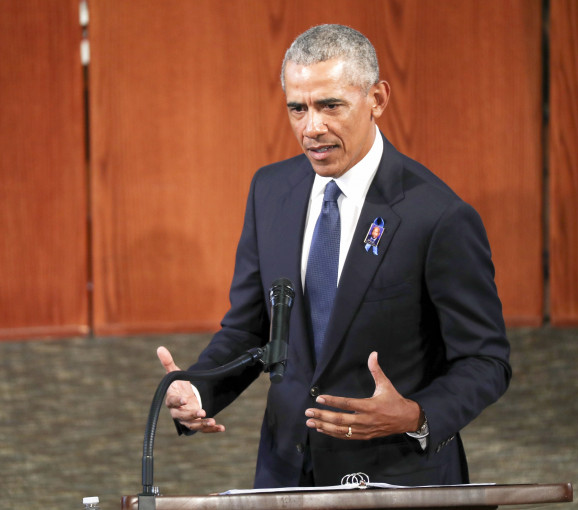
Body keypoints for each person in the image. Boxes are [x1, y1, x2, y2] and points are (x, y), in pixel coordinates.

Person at [157, 24, 511, 489]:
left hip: (396, 475)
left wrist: (416, 415)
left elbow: (486, 360)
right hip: (286, 472)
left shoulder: (438, 216)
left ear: (377, 99)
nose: (311, 128)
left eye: (330, 106)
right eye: (297, 108)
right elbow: (252, 328)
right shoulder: (270, 191)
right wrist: (200, 387)